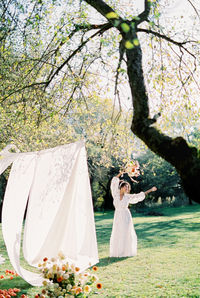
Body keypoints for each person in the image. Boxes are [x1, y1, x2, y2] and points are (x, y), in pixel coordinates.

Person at [109, 171, 157, 258]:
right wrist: (121, 173)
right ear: (121, 187)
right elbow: (114, 181)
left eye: (128, 188)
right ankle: (118, 252)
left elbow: (139, 196)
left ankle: (126, 252)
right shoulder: (115, 194)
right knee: (118, 232)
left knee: (126, 232)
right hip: (117, 216)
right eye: (125, 187)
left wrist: (151, 190)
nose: (127, 189)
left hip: (126, 215)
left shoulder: (128, 197)